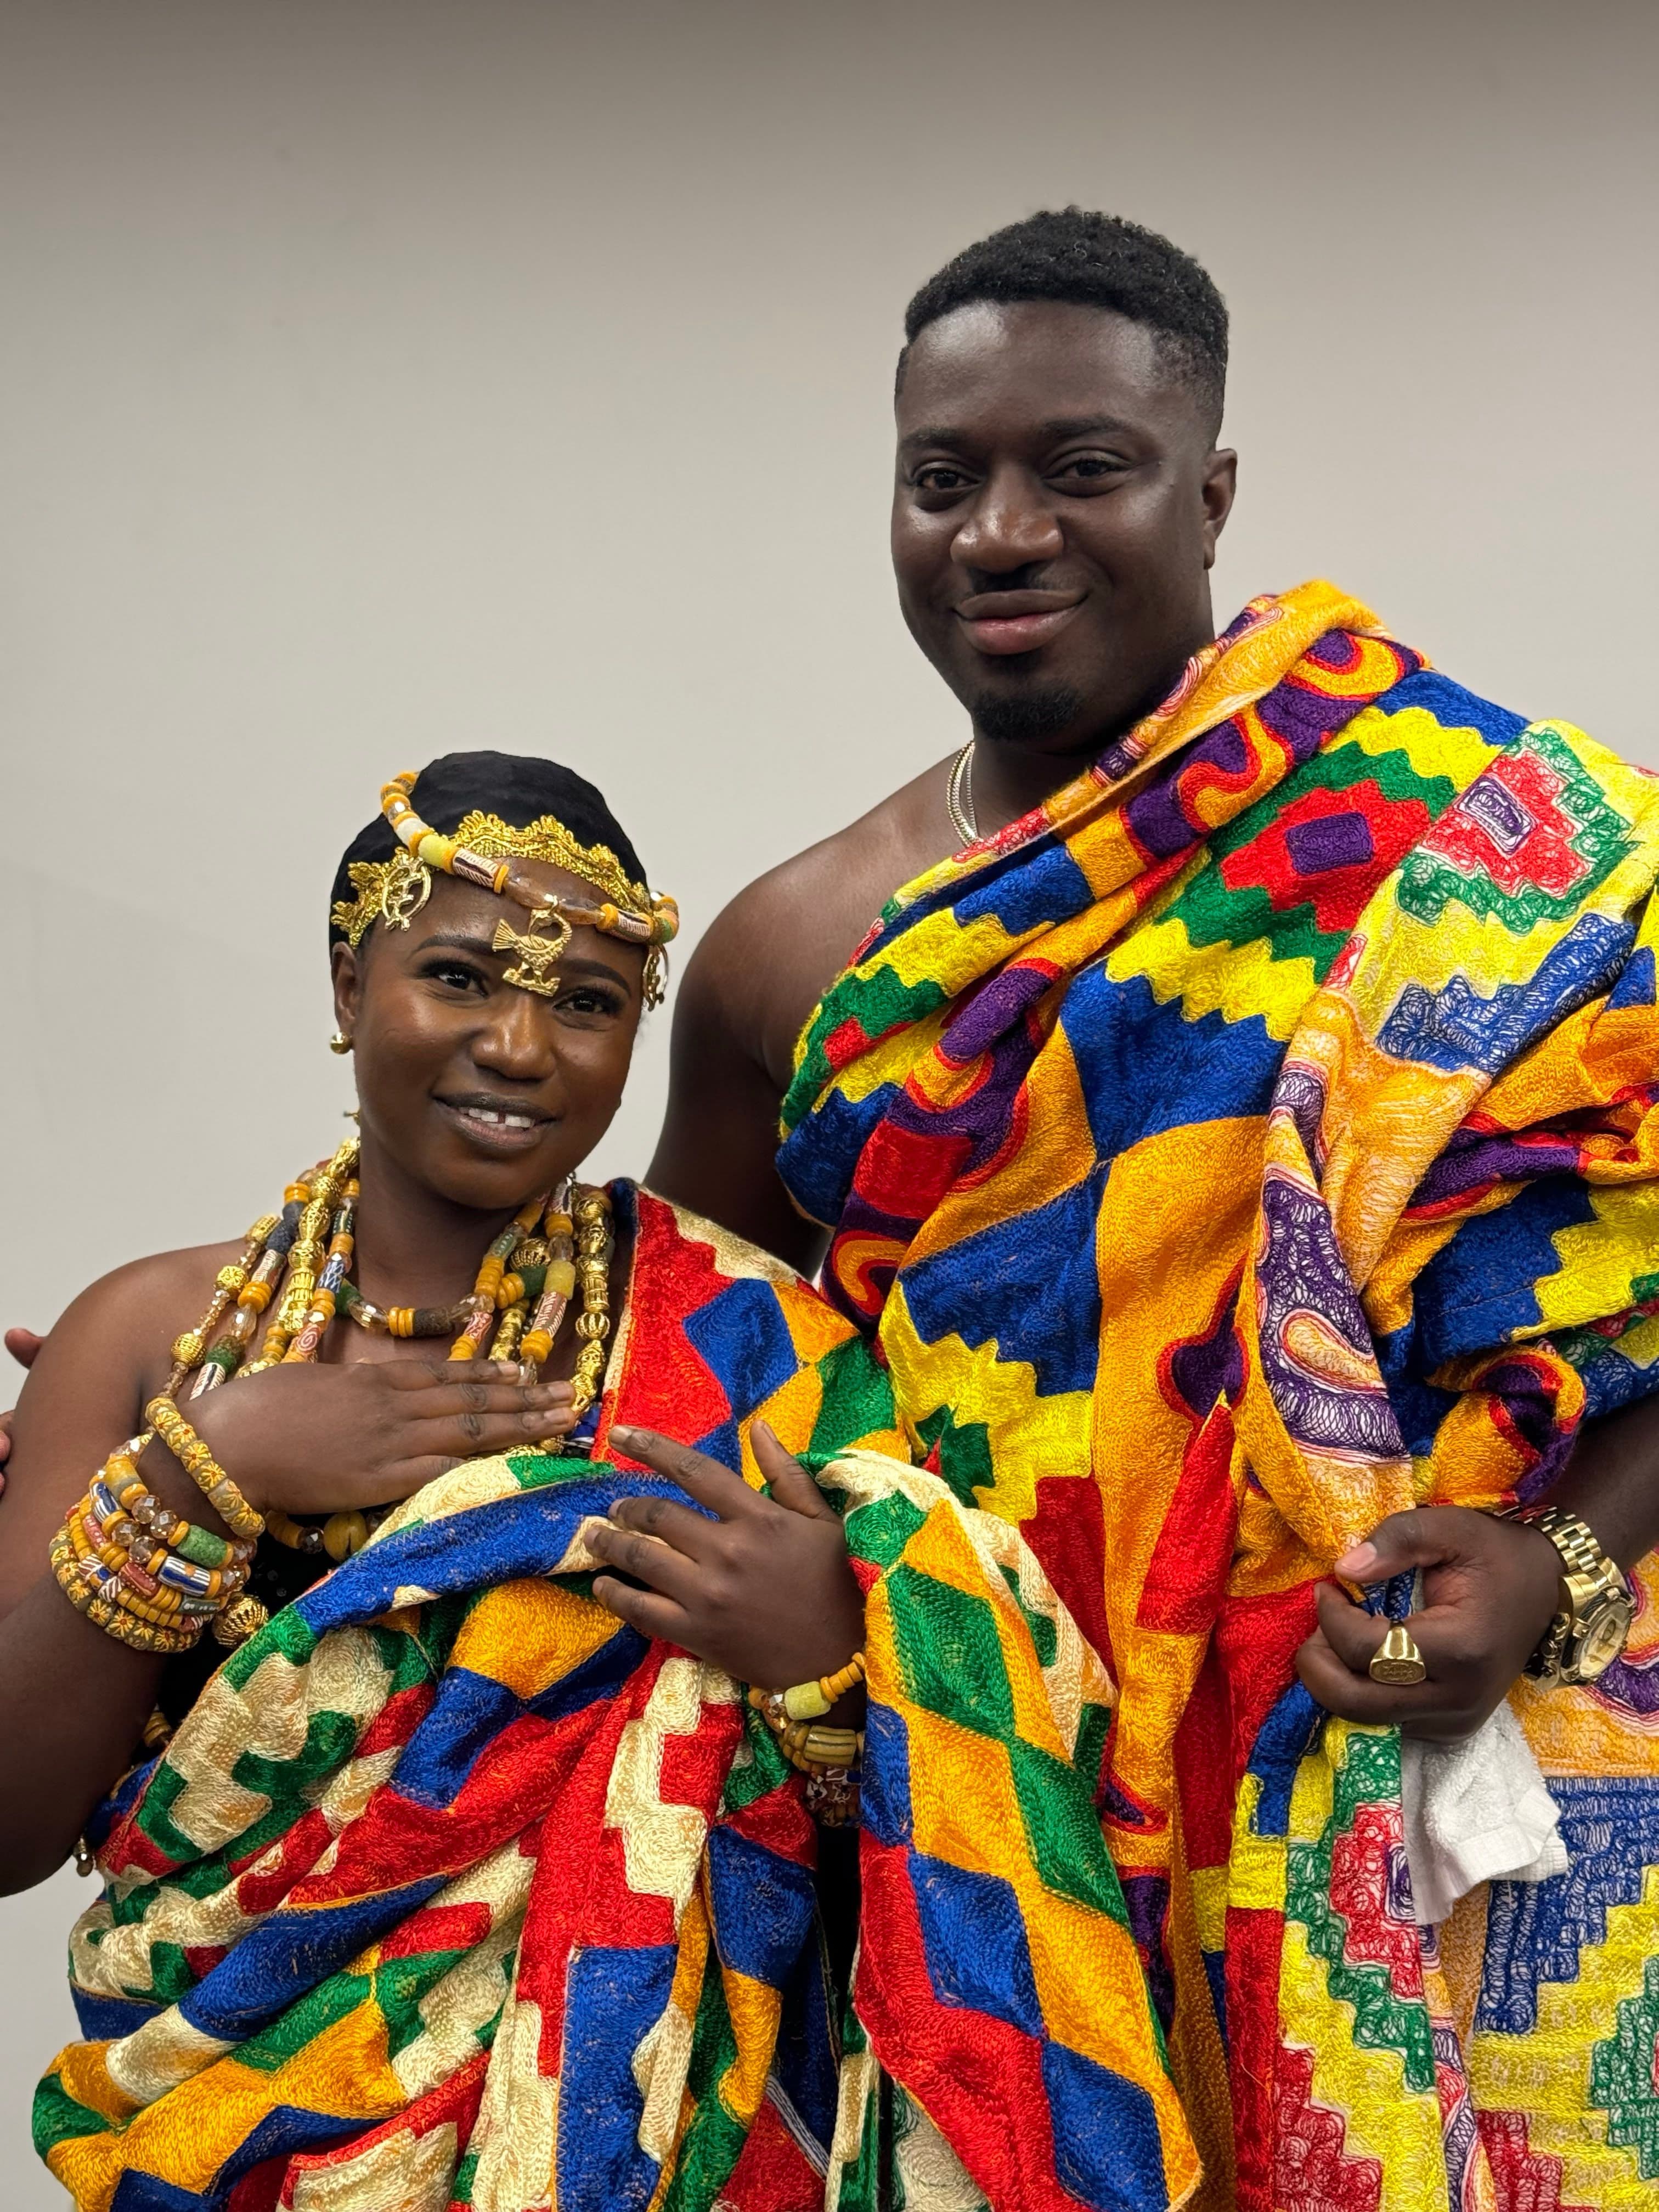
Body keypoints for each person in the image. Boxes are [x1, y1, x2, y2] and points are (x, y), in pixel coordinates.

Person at [647, 211, 1659, 2206]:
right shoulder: (797, 951)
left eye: (1080, 469)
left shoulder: (1480, 844)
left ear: (1209, 493)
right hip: (983, 1810)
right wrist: (241, 1349)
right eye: (944, 480)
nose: (1000, 531)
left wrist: (1556, 1566)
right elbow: (681, 1346)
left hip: (1405, 1767)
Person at [19, 754, 1172, 2209]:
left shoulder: (749, 1346)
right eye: (459, 975)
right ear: (343, 985)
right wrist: (209, 1471)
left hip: (657, 2144)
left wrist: (827, 1663)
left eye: (587, 1002)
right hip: (216, 2132)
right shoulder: (151, 1342)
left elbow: (952, 1773)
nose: (519, 1044)